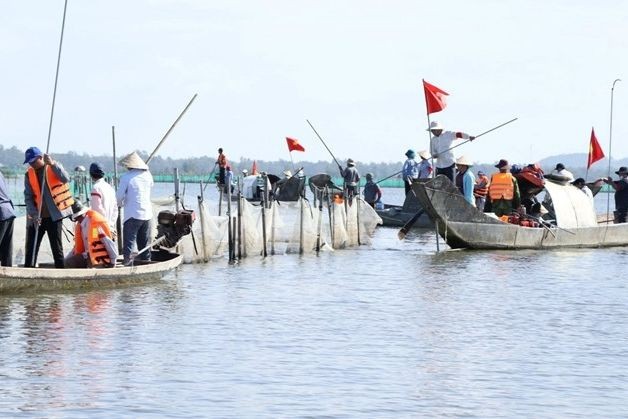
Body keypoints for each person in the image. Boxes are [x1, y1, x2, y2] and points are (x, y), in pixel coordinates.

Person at [23, 147, 74, 268]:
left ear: (40, 157)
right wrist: (34, 214)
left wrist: (52, 163)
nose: (32, 164)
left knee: (56, 248)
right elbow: (28, 197)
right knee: (31, 247)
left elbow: (66, 178)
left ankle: (60, 273)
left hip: (54, 216)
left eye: (33, 161)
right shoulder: (28, 174)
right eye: (29, 162)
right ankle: (28, 271)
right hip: (37, 218)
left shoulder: (53, 166)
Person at [116, 151, 153, 264]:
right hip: (147, 214)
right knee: (144, 244)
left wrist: (120, 205)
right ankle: (146, 263)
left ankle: (128, 264)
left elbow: (118, 197)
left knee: (129, 244)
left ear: (129, 166)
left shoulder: (126, 177)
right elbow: (151, 186)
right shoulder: (148, 175)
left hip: (132, 215)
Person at [64, 200, 117, 268]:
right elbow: (76, 247)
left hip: (99, 259)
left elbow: (107, 242)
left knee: (89, 262)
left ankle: (95, 268)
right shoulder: (80, 226)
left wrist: (113, 262)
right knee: (68, 262)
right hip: (87, 256)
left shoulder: (94, 225)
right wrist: (65, 260)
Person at [89, 162, 118, 232]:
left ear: (91, 174)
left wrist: (105, 224)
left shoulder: (95, 188)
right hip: (110, 227)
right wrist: (111, 224)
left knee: (93, 242)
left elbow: (96, 210)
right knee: (110, 243)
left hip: (98, 228)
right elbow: (115, 209)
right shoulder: (110, 187)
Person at [0, 170, 16, 266]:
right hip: (8, 211)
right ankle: (8, 277)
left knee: (6, 249)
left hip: (1, 213)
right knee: (6, 250)